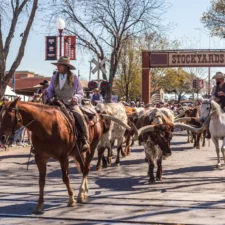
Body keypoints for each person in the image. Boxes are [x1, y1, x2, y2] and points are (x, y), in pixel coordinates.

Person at [46, 56, 89, 152]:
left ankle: (84, 139)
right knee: (43, 115)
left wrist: (76, 97)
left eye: (59, 65)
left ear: (65, 66)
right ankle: (41, 142)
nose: (57, 66)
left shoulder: (74, 77)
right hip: (56, 103)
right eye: (57, 65)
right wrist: (51, 97)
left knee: (79, 116)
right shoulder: (54, 77)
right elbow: (50, 90)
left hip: (70, 103)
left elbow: (80, 91)